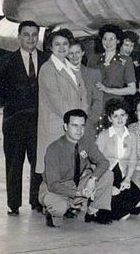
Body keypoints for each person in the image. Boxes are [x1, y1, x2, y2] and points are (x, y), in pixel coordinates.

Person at [0, 20, 49, 215]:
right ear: (19, 37)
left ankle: (36, 201)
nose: (31, 39)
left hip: (38, 124)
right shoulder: (7, 61)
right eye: (26, 34)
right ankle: (13, 205)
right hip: (14, 123)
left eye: (35, 34)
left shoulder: (46, 59)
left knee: (38, 163)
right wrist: (12, 101)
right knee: (14, 164)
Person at [39, 109, 113, 227]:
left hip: (78, 183)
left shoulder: (86, 142)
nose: (79, 130)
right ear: (65, 126)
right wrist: (78, 193)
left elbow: (103, 162)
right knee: (59, 208)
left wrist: (92, 179)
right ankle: (54, 211)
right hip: (57, 188)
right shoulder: (54, 149)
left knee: (107, 174)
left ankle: (93, 210)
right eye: (74, 126)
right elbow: (53, 184)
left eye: (82, 126)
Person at [36, 29, 88, 175]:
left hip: (73, 127)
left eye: (65, 44)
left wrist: (81, 118)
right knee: (55, 177)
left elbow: (83, 94)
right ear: (50, 47)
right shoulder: (47, 69)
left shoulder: (72, 67)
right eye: (57, 44)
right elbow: (57, 103)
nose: (62, 47)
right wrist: (77, 121)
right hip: (57, 130)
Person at [95, 98, 140, 220]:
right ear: (110, 118)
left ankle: (113, 202)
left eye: (122, 115)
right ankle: (102, 205)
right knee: (124, 215)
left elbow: (132, 160)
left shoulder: (132, 136)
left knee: (138, 204)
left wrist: (127, 179)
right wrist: (107, 186)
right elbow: (95, 162)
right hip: (107, 175)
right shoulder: (103, 136)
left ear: (127, 116)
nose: (119, 119)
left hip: (122, 175)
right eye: (115, 116)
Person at [88, 24, 136, 108]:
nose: (108, 42)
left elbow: (132, 90)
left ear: (117, 41)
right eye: (105, 39)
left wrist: (107, 89)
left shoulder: (126, 61)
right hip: (95, 106)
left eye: (112, 39)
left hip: (115, 107)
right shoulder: (93, 59)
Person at [67, 40, 104, 137]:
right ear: (66, 54)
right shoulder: (62, 74)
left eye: (77, 52)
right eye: (71, 53)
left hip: (88, 124)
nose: (75, 56)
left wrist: (90, 119)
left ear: (83, 53)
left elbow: (98, 100)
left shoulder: (94, 73)